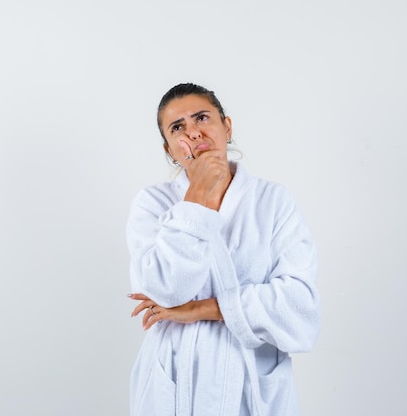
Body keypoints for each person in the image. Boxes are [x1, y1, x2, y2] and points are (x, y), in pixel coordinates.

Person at [126, 83, 320, 416]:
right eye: (178, 128)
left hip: (252, 384)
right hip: (176, 380)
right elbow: (163, 290)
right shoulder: (152, 204)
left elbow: (300, 311)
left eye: (202, 118)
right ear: (170, 149)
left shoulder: (273, 202)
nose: (193, 133)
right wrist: (198, 198)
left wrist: (203, 309)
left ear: (226, 127)